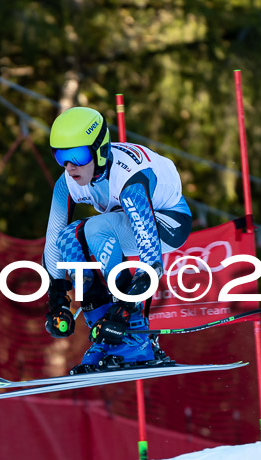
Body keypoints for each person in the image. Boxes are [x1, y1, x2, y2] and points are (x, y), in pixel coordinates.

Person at [42, 106, 193, 373]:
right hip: (127, 222)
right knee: (69, 239)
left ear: (100, 149)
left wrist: (125, 309)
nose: (70, 166)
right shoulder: (67, 182)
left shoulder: (129, 179)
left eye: (77, 155)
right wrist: (57, 298)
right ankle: (105, 337)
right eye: (61, 156)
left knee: (95, 229)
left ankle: (136, 336)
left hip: (169, 222)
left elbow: (151, 261)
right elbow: (54, 237)